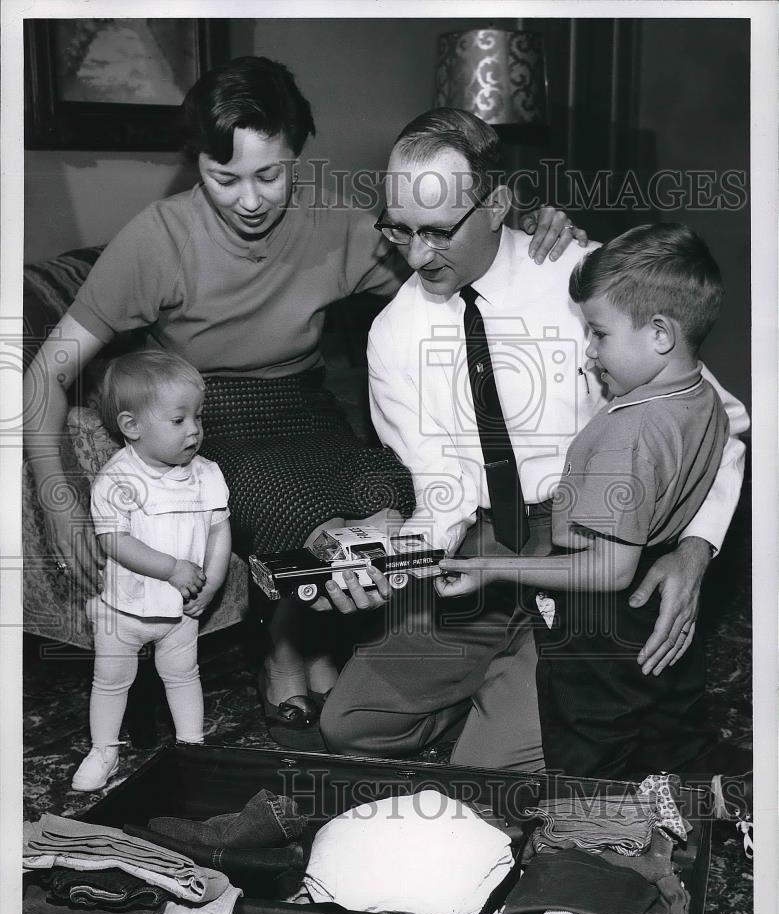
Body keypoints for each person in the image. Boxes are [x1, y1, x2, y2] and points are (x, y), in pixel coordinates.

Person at [22, 57, 583, 742]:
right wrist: (58, 503)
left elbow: (449, 259)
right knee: (279, 494)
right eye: (223, 177)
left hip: (307, 403)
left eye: (271, 174)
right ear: (194, 162)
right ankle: (289, 641)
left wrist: (535, 234)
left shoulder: (335, 224)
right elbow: (44, 374)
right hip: (209, 411)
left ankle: (334, 629)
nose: (250, 200)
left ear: (298, 157)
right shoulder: (155, 241)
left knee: (384, 478)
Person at [319, 109, 749, 773]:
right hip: (481, 551)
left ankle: (527, 697)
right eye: (397, 229)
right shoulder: (391, 335)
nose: (414, 254)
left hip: (585, 545)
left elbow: (718, 419)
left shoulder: (585, 282)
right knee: (350, 726)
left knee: (490, 773)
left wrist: (694, 553)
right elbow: (443, 497)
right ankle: (509, 678)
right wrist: (383, 557)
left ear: (495, 204)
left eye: (436, 232)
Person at [436, 222, 750, 782]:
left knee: (585, 743)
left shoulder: (628, 432)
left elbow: (608, 568)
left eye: (599, 334)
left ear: (659, 333)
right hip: (654, 598)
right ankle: (716, 795)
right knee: (665, 722)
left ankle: (590, 845)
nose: (589, 351)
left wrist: (488, 567)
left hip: (601, 622)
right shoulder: (701, 394)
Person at [72, 351, 231, 791]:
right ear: (132, 427)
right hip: (124, 609)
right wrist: (172, 568)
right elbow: (115, 541)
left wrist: (212, 582)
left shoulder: (207, 474)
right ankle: (104, 748)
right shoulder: (118, 479)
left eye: (198, 417)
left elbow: (219, 531)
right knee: (110, 680)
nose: (194, 429)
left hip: (181, 610)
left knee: (182, 675)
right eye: (178, 420)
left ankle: (192, 747)